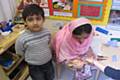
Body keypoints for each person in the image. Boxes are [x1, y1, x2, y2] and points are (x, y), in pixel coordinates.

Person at [15, 4, 54, 80]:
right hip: (34, 66)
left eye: (38, 19)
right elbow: (20, 52)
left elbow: (48, 43)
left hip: (48, 62)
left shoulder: (47, 32)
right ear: (25, 22)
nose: (35, 22)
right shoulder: (22, 38)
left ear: (43, 19)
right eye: (30, 20)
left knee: (50, 77)